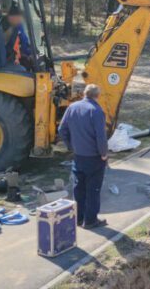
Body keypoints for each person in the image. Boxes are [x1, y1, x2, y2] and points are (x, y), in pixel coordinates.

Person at [58, 84, 109, 229]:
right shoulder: (96, 111)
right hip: (94, 157)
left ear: (84, 94)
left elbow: (62, 129)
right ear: (97, 96)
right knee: (93, 189)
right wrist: (104, 153)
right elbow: (101, 136)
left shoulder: (72, 107)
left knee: (78, 188)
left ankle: (78, 218)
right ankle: (91, 220)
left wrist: (70, 146)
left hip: (78, 156)